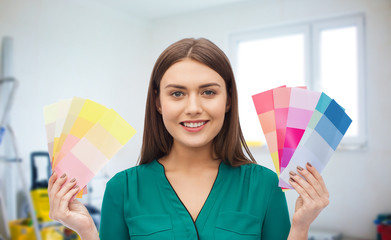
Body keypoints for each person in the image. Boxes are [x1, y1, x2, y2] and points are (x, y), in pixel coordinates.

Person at [48, 38, 329, 240]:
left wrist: (301, 227)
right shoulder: (122, 189)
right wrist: (86, 232)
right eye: (177, 93)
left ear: (228, 100)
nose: (193, 107)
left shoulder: (264, 185)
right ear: (158, 103)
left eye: (208, 92)